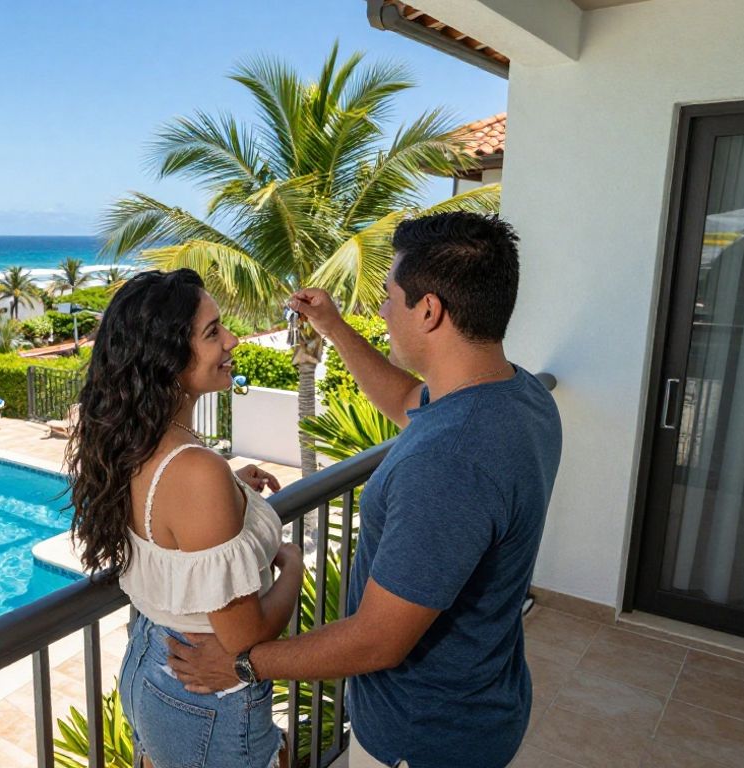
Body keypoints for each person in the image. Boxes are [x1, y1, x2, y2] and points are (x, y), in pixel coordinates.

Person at [165, 212, 563, 768]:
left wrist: (241, 665)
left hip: (422, 737)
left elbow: (379, 639)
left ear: (429, 310)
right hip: (482, 703)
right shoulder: (517, 394)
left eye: (390, 296)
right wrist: (331, 326)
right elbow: (409, 404)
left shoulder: (451, 462)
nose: (381, 310)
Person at [66, 268, 303, 768]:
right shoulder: (195, 473)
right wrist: (296, 566)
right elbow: (246, 640)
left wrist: (233, 488)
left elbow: (169, 524)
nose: (233, 340)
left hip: (152, 663)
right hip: (207, 689)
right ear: (166, 357)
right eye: (213, 332)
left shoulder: (137, 442)